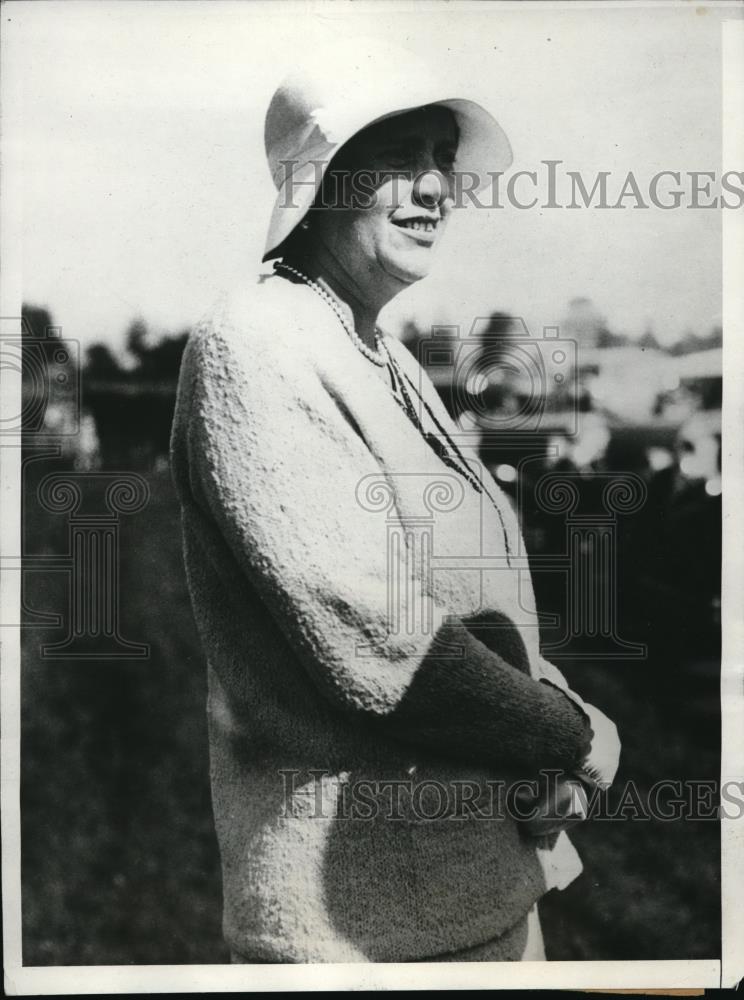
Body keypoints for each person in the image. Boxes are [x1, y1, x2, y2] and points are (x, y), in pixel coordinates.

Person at [170, 47, 621, 964]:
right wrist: (570, 737)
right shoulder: (254, 343)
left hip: (470, 892)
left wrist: (554, 726)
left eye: (441, 159)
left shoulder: (381, 352)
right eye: (397, 155)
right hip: (366, 935)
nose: (434, 188)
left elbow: (477, 606)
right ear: (321, 179)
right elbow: (382, 638)